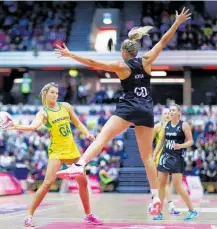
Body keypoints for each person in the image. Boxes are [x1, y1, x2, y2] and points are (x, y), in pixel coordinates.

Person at [55, 8, 191, 216]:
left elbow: (93, 63)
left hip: (128, 108)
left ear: (124, 52)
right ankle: (155, 196)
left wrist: (70, 54)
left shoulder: (121, 66)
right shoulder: (146, 60)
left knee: (102, 138)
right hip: (146, 110)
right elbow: (163, 41)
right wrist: (176, 23)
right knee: (147, 157)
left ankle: (80, 164)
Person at [7, 82, 103, 227]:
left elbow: (77, 123)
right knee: (47, 183)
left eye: (57, 93)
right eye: (52, 92)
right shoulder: (43, 113)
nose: (55, 95)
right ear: (46, 93)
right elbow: (33, 127)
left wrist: (87, 134)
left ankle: (88, 215)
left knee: (83, 182)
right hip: (56, 151)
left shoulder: (65, 106)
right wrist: (16, 126)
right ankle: (29, 216)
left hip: (71, 149)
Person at [153, 104, 198, 221]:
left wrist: (180, 146)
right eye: (170, 110)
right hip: (165, 157)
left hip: (177, 158)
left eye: (173, 110)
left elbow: (191, 141)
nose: (171, 112)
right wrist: (155, 154)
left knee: (178, 187)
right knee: (161, 185)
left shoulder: (184, 125)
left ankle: (192, 210)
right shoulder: (166, 125)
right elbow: (161, 141)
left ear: (178, 113)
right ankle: (159, 213)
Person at [147, 108, 180, 215]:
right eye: (165, 113)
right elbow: (149, 143)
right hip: (159, 158)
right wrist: (151, 156)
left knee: (164, 183)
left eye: (168, 114)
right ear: (161, 115)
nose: (167, 115)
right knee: (162, 183)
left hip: (170, 157)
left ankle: (153, 204)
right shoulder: (157, 126)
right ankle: (170, 206)